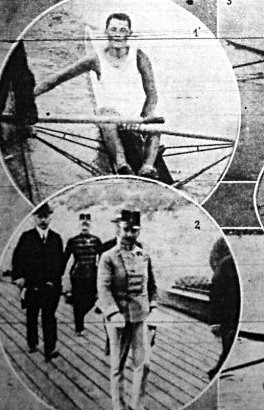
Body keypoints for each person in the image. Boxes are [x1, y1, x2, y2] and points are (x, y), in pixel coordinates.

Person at [33, 13, 160, 178]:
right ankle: (122, 165)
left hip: (135, 116)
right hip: (111, 114)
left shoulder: (139, 57)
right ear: (106, 32)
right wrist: (29, 97)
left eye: (123, 30)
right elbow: (57, 79)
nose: (117, 34)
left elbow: (152, 95)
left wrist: (143, 117)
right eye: (113, 29)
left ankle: (148, 167)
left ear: (129, 33)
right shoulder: (95, 59)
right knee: (105, 115)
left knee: (156, 122)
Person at [97, 210, 158, 410]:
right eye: (127, 229)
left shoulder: (144, 255)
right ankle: (118, 406)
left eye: (135, 230)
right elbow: (103, 289)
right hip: (118, 319)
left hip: (140, 317)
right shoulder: (108, 257)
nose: (130, 234)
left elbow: (152, 287)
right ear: (118, 229)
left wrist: (154, 307)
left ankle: (136, 404)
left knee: (144, 363)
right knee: (118, 365)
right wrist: (113, 312)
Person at [11, 203, 64, 361]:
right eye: (40, 217)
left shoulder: (56, 238)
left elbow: (60, 263)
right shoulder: (27, 237)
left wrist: (54, 281)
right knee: (32, 314)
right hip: (31, 285)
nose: (43, 220)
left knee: (49, 316)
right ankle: (32, 342)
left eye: (46, 217)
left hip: (50, 286)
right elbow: (17, 259)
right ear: (34, 218)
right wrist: (18, 277)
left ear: (50, 217)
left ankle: (50, 348)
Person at [63, 213, 102, 336]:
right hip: (77, 275)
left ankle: (80, 315)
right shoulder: (73, 241)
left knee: (91, 300)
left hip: (92, 275)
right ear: (79, 226)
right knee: (78, 301)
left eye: (87, 224)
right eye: (82, 224)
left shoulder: (96, 240)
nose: (85, 226)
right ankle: (79, 327)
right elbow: (64, 259)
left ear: (91, 225)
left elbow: (103, 258)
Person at [207, 238, 240, 380]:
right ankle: (218, 372)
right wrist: (215, 321)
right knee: (228, 343)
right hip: (228, 310)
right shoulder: (226, 262)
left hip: (237, 307)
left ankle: (219, 370)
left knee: (229, 347)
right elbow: (214, 293)